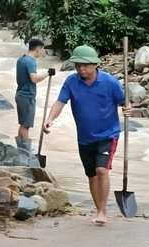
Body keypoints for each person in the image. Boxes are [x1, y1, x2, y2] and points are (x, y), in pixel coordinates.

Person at [42, 45, 131, 225]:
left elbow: (124, 103)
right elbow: (60, 102)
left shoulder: (110, 82)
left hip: (108, 135)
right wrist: (50, 118)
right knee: (91, 174)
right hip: (84, 137)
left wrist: (129, 109)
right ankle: (98, 207)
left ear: (95, 65)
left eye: (85, 65)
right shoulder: (71, 82)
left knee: (102, 170)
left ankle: (102, 211)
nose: (81, 69)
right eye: (77, 65)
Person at [14, 38, 52, 152]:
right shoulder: (30, 61)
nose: (43, 52)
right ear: (38, 49)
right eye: (43, 49)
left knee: (22, 124)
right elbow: (34, 78)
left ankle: (21, 150)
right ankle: (27, 151)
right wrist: (47, 73)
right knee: (26, 125)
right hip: (27, 96)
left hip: (20, 94)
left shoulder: (21, 59)